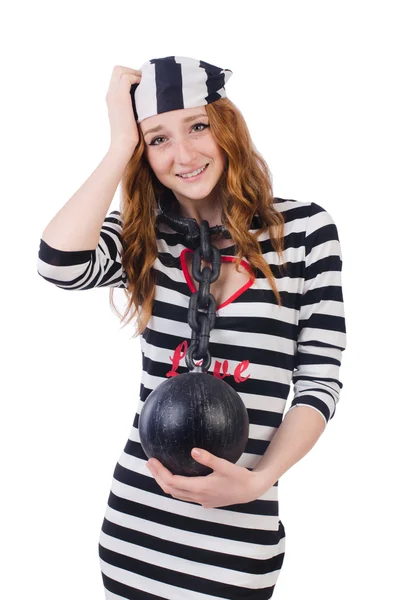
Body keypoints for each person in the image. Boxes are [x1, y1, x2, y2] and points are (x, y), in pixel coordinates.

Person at [37, 55, 347, 599]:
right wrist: (117, 147)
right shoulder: (144, 237)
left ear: (226, 127)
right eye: (157, 139)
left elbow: (319, 381)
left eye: (198, 127)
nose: (183, 155)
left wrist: (258, 478)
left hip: (238, 542)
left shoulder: (303, 233)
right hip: (137, 531)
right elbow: (57, 263)